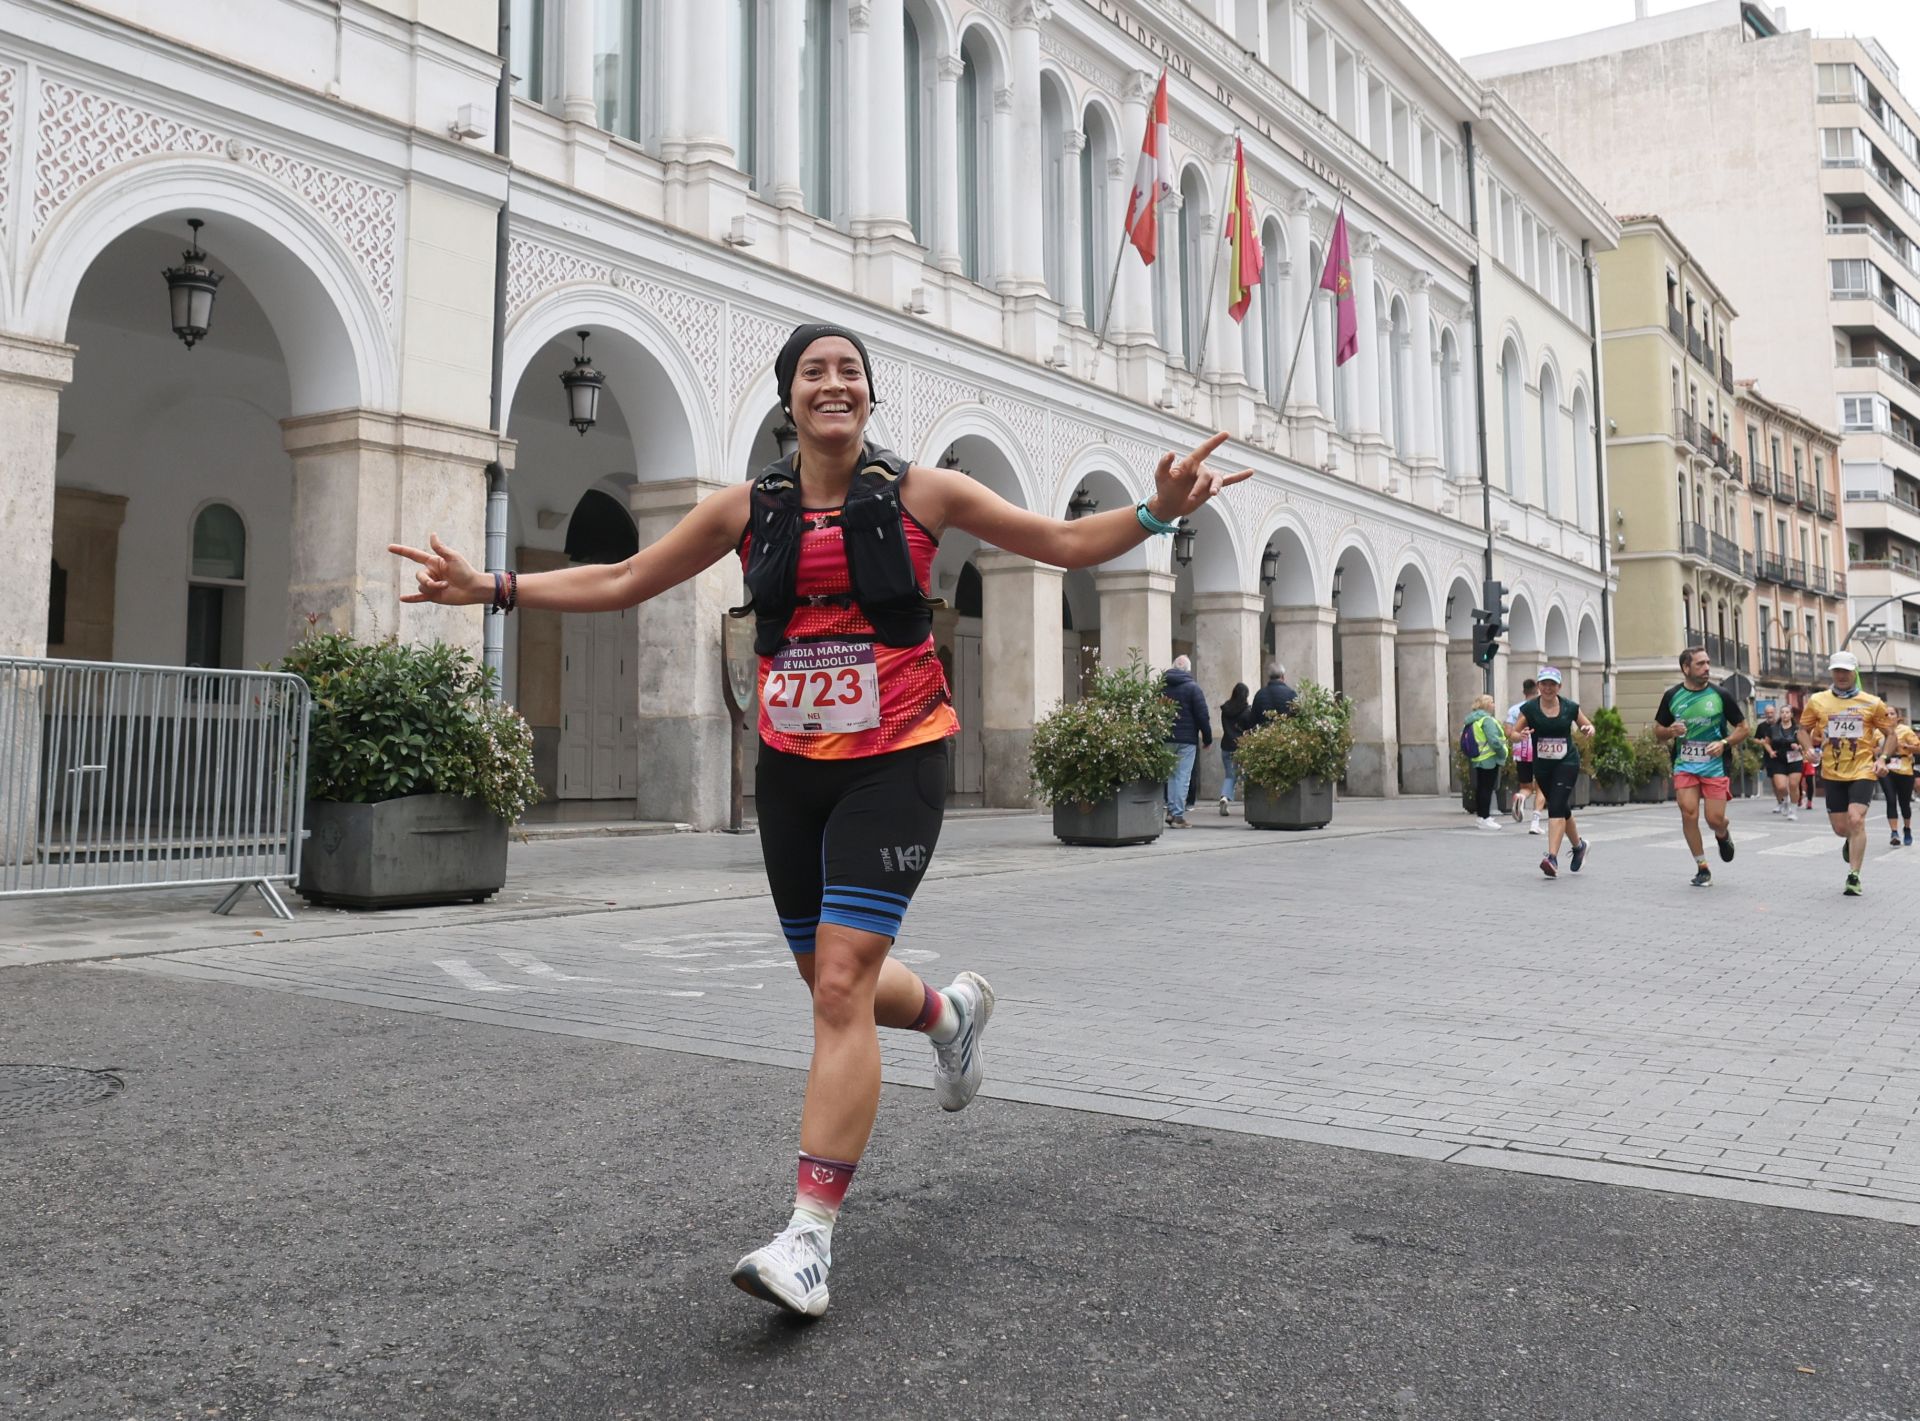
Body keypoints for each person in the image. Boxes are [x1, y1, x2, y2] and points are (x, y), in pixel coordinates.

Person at [389, 322, 1250, 1316]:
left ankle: (808, 1237)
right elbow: (625, 577)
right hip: (793, 773)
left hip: (898, 762)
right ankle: (950, 1014)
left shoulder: (925, 493)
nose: (832, 383)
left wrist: (1155, 512)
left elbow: (1059, 543)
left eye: (849, 371)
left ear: (870, 396)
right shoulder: (747, 509)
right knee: (833, 979)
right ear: (788, 398)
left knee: (839, 984)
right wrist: (493, 585)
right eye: (813, 372)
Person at [1798, 650, 1897, 898]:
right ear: (1832, 673)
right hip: (1832, 772)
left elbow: (1891, 734)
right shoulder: (1818, 701)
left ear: (1854, 673)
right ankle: (1850, 840)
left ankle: (1854, 875)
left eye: (1846, 671)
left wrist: (1883, 758)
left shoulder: (1872, 703)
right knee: (1841, 828)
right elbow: (1802, 729)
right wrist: (1808, 749)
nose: (1841, 675)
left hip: (1863, 769)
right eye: (1837, 671)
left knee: (1856, 819)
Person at [1652, 646, 1749, 888]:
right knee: (1688, 812)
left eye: (1707, 663)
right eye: (1700, 664)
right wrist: (1670, 731)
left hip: (1715, 766)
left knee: (1714, 819)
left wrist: (1724, 743)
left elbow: (1743, 728)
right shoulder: (1672, 696)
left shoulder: (1720, 695)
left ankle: (1722, 832)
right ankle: (1702, 866)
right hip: (1685, 763)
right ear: (1686, 668)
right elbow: (1658, 731)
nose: (1707, 668)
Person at [1515, 668, 1594, 878]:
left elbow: (1587, 725)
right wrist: (1518, 736)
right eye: (1544, 684)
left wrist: (1589, 729)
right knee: (1561, 807)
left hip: (1567, 762)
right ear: (1538, 686)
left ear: (1559, 687)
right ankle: (1579, 846)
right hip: (1542, 766)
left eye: (1552, 684)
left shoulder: (1570, 707)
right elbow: (1512, 732)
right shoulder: (1530, 708)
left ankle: (1552, 858)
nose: (1548, 688)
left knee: (1556, 807)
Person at [1161, 656, 1212, 828]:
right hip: (1186, 740)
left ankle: (1171, 811)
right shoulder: (1193, 688)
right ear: (1188, 670)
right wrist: (1207, 738)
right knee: (1182, 777)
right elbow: (1202, 715)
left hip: (1166, 737)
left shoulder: (1162, 686)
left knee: (1171, 776)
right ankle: (1177, 816)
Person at [1463, 693, 1510, 829]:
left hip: (1478, 757)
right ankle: (1485, 817)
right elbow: (1494, 741)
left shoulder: (1473, 719)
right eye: (1492, 702)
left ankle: (1481, 817)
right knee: (1487, 789)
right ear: (1486, 705)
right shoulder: (1487, 720)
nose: (1494, 705)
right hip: (1489, 759)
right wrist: (1503, 753)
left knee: (1481, 788)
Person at [1878, 709, 1919, 847]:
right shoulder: (1878, 732)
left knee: (1904, 803)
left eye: (1892, 714)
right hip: (1886, 769)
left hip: (1904, 769)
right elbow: (1870, 748)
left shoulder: (1905, 730)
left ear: (1897, 717)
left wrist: (1905, 746)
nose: (1889, 716)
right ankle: (1894, 832)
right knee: (1890, 800)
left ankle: (1907, 829)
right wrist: (1880, 751)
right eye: (1886, 714)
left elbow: (1918, 747)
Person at [1504, 679, 1541, 833]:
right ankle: (1535, 822)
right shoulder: (1540, 707)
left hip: (1521, 750)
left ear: (1524, 692)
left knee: (1526, 786)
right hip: (1539, 749)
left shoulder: (1514, 710)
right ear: (1537, 690)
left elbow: (1508, 732)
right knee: (1541, 787)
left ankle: (1521, 796)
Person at [1758, 705, 1801, 820]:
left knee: (1793, 785)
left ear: (1791, 715)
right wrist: (1770, 751)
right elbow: (1766, 743)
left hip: (1795, 758)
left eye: (1787, 712)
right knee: (1781, 787)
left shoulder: (1797, 729)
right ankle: (1785, 800)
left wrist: (1798, 746)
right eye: (1782, 712)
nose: (1785, 714)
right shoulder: (1773, 729)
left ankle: (1793, 810)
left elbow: (1805, 744)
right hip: (1778, 759)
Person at [1218, 681, 1254, 814]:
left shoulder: (1226, 709)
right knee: (1246, 775)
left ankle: (1224, 797)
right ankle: (1250, 801)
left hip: (1226, 745)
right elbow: (1250, 728)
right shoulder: (1246, 711)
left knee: (1230, 775)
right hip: (1241, 746)